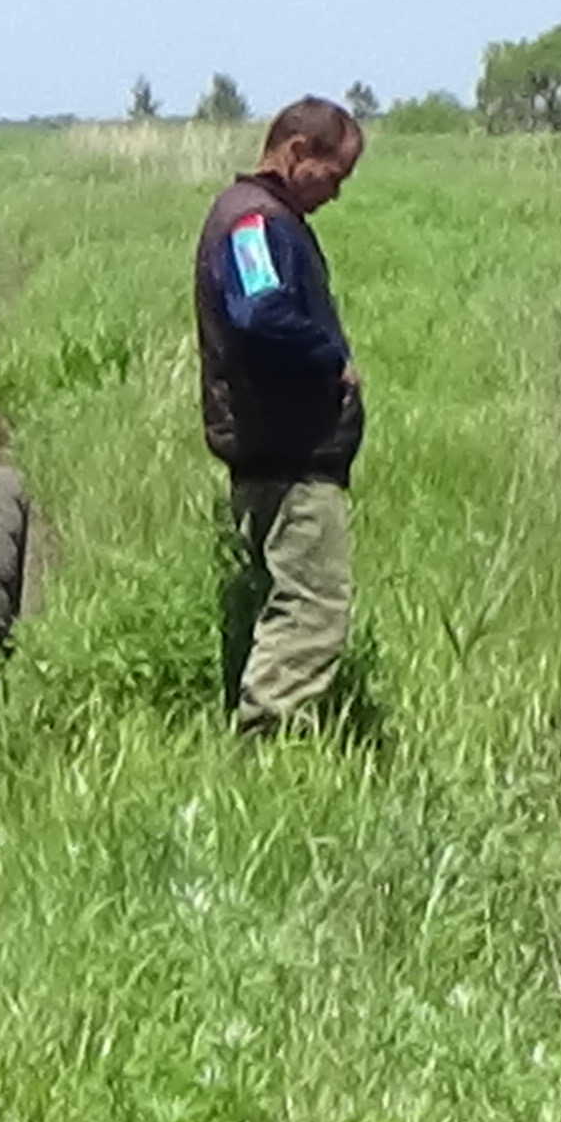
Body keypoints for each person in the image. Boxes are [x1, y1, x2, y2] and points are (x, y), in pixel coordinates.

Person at [195, 97, 366, 734]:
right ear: (296, 153)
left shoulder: (255, 217)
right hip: (290, 455)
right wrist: (333, 361)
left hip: (278, 448)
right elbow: (260, 311)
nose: (337, 194)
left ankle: (262, 738)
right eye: (334, 175)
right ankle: (267, 746)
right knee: (313, 607)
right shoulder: (252, 223)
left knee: (283, 600)